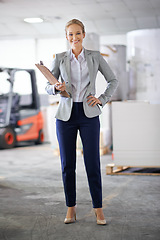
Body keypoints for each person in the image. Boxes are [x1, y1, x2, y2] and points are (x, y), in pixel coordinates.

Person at [45, 19, 118, 225]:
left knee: (92, 163)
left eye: (78, 33)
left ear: (84, 35)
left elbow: (113, 80)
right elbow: (48, 86)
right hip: (65, 115)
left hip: (89, 114)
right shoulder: (59, 58)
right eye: (70, 34)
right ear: (66, 37)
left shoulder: (94, 57)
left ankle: (98, 209)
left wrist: (102, 99)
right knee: (68, 164)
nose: (74, 38)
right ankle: (71, 208)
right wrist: (55, 88)